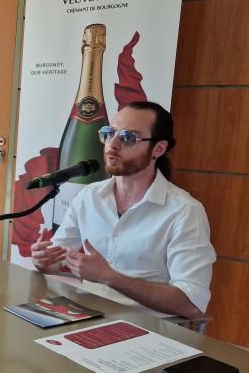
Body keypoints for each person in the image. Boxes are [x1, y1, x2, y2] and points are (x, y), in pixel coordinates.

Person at [31, 101, 215, 319]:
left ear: (158, 148)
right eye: (109, 133)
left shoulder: (185, 212)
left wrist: (110, 277)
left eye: (128, 137)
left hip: (146, 331)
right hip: (83, 317)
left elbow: (191, 304)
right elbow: (56, 260)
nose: (113, 144)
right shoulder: (89, 196)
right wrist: (43, 260)